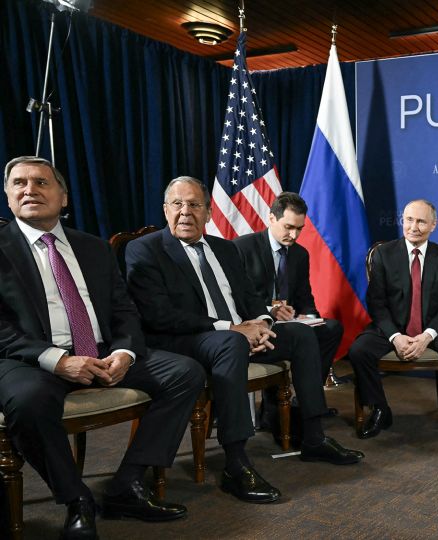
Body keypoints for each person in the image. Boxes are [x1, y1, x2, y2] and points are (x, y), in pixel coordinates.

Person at [124, 176, 363, 505]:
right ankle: (236, 463)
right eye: (177, 204)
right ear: (166, 210)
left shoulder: (224, 248)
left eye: (194, 205)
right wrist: (232, 329)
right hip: (186, 340)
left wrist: (263, 325)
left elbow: (250, 299)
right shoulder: (145, 249)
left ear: (209, 212)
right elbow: (158, 315)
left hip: (237, 335)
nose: (185, 212)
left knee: (302, 334)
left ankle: (313, 436)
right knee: (232, 344)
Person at [0, 157, 202, 539]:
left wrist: (124, 354)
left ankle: (127, 483)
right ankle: (77, 500)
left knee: (184, 372)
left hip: (102, 352)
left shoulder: (92, 247)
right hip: (29, 359)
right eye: (19, 183)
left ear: (63, 197)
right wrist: (57, 359)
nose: (29, 190)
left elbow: (125, 310)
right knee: (28, 401)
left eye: (41, 182)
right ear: (8, 196)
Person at [348, 199, 438, 449]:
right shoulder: (384, 254)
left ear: (433, 225)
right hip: (391, 328)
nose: (413, 226)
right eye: (409, 219)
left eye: (421, 221)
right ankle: (380, 409)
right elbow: (376, 304)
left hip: (433, 329)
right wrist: (395, 336)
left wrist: (426, 336)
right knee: (359, 350)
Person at [233, 192, 344, 434]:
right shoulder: (242, 247)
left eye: (299, 229)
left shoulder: (300, 254)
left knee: (332, 328)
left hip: (290, 323)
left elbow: (305, 298)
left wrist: (310, 318)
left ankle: (303, 400)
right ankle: (283, 410)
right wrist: (269, 311)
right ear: (271, 218)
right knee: (299, 335)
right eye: (288, 227)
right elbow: (235, 300)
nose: (293, 235)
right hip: (255, 324)